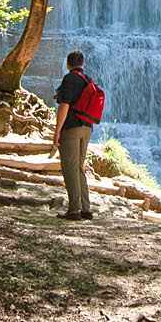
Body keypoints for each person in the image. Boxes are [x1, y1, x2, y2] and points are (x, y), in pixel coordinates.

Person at [51, 50, 94, 220]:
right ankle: (86, 208)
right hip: (87, 128)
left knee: (69, 167)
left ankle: (74, 209)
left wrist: (57, 132)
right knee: (79, 167)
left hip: (71, 128)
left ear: (68, 64)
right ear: (82, 64)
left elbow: (64, 106)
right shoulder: (88, 80)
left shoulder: (69, 79)